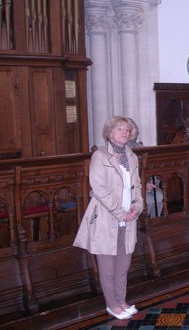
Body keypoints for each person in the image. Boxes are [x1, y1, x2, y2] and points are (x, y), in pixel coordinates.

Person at [73, 116, 143, 320]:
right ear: (109, 132)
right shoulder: (100, 156)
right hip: (106, 218)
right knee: (108, 267)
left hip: (129, 218)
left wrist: (138, 206)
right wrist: (122, 212)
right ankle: (112, 304)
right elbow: (99, 189)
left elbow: (137, 185)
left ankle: (121, 301)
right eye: (120, 129)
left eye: (127, 129)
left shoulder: (132, 156)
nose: (125, 132)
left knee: (123, 265)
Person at [126, 117, 164, 217]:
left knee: (159, 196)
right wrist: (143, 184)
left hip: (148, 184)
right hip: (132, 189)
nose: (131, 131)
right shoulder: (120, 151)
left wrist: (152, 182)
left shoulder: (141, 148)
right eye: (128, 129)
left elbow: (151, 168)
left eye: (133, 128)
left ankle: (155, 223)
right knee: (149, 200)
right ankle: (144, 226)